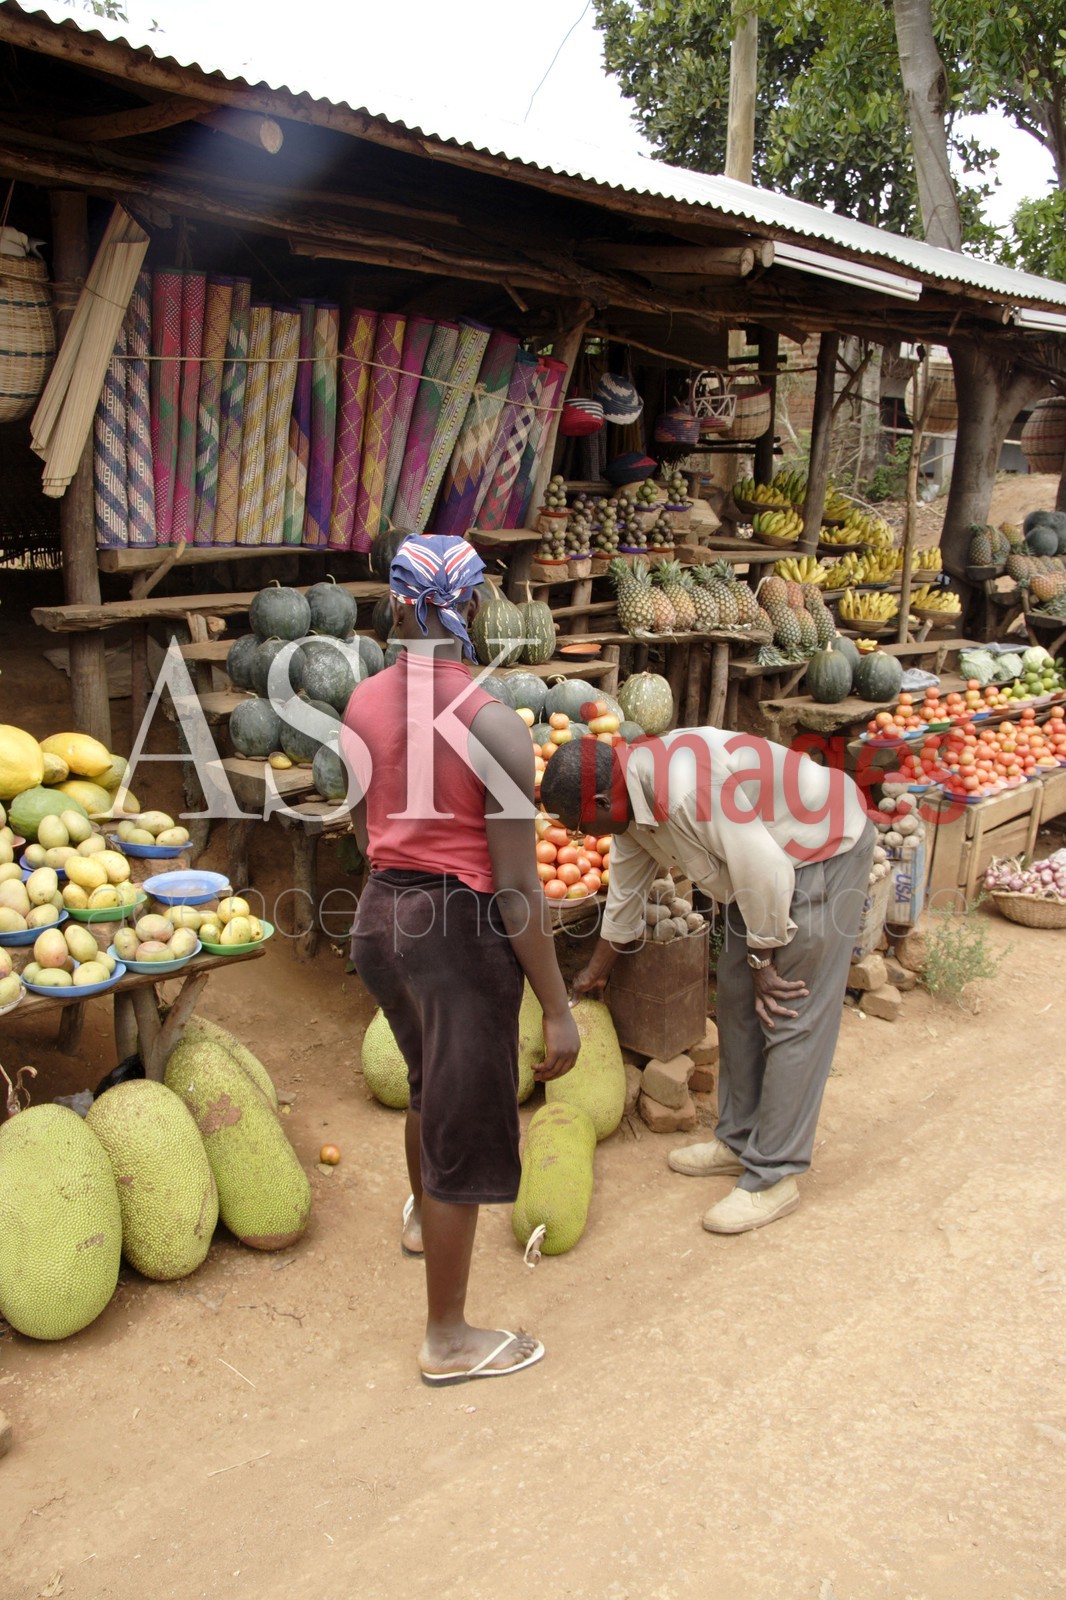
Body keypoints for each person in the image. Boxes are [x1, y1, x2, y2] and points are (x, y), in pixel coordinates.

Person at [343, 534, 579, 1385]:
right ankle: (447, 1340)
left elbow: (363, 830)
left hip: (381, 921)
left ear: (397, 604)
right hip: (457, 937)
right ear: (475, 605)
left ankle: (422, 1224)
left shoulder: (362, 701)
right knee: (464, 1126)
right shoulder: (495, 726)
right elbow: (516, 888)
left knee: (425, 1085)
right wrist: (557, 1007)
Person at [540, 725, 876, 1234]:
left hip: (817, 851)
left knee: (787, 1010)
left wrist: (764, 961)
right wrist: (594, 973)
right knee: (737, 1000)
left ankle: (774, 1176)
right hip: (760, 867)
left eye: (581, 827)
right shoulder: (631, 802)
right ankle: (737, 1140)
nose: (583, 839)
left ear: (604, 801)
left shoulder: (680, 789)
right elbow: (626, 896)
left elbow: (769, 871)